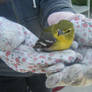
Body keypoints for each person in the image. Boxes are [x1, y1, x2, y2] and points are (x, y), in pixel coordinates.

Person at [1, 0, 92, 92]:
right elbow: (41, 45)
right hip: (5, 70)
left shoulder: (65, 33)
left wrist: (62, 11)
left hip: (43, 68)